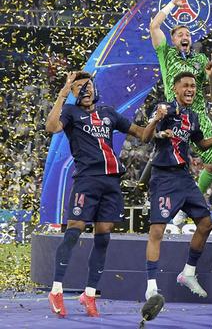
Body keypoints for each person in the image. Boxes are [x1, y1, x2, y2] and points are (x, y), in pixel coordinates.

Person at [45, 71, 154, 318]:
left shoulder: (108, 113)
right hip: (87, 180)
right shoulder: (70, 112)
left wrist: (156, 120)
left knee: (103, 237)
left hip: (112, 183)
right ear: (73, 93)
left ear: (95, 88)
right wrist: (63, 92)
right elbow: (51, 127)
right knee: (74, 230)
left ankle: (89, 294)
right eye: (79, 88)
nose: (86, 90)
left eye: (88, 85)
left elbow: (142, 134)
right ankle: (56, 290)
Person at [142, 71, 212, 303]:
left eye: (193, 86)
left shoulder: (192, 116)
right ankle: (151, 287)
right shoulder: (163, 109)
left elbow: (202, 144)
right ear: (175, 88)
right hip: (163, 176)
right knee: (157, 231)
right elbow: (146, 137)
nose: (190, 89)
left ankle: (188, 273)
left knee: (206, 223)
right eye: (186, 85)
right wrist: (156, 122)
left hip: (183, 177)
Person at [149, 0, 212, 220]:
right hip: (173, 114)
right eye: (180, 34)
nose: (185, 36)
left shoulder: (200, 60)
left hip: (197, 115)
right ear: (173, 40)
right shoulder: (166, 53)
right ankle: (154, 197)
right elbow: (154, 26)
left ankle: (187, 204)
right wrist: (173, 3)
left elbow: (209, 83)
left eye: (188, 33)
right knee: (171, 163)